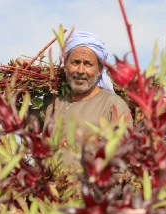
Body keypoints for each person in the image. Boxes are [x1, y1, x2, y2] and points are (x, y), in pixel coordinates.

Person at [39, 31, 133, 165]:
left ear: (99, 69)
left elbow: (125, 155)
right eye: (75, 62)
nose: (81, 71)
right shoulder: (53, 104)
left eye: (88, 64)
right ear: (65, 65)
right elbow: (23, 120)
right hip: (49, 185)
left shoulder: (113, 104)